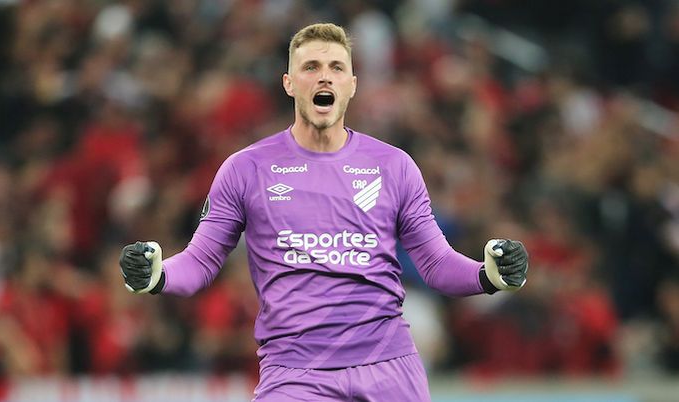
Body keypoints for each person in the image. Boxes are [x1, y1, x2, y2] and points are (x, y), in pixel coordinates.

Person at [118, 23, 529, 401]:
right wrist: (158, 275)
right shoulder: (246, 169)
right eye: (310, 66)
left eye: (336, 67)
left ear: (351, 84)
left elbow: (436, 263)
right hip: (295, 374)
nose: (324, 75)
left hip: (388, 368)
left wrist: (487, 274)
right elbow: (201, 260)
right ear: (289, 83)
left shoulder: (393, 166)